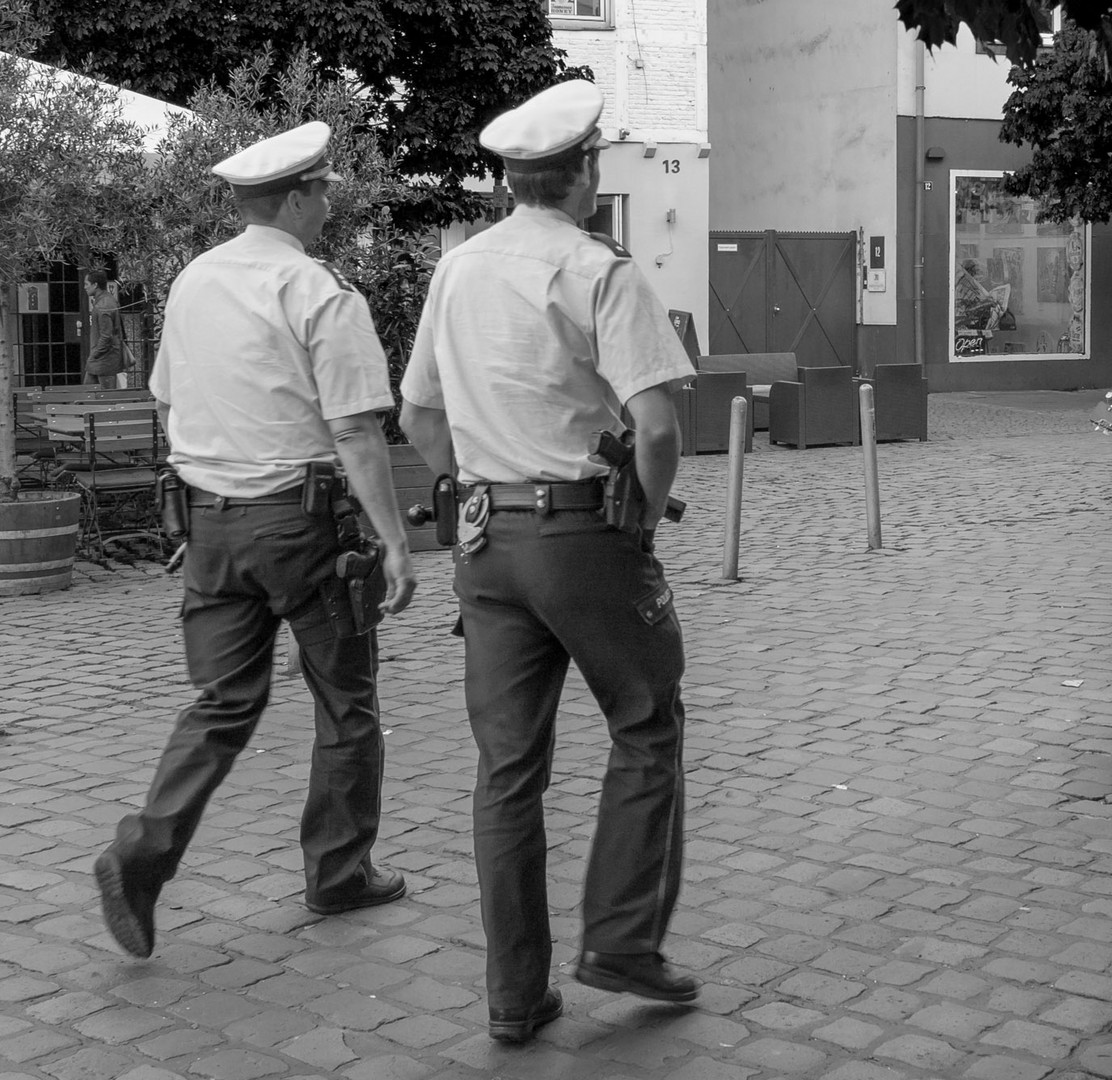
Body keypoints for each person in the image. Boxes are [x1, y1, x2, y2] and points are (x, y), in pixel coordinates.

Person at [399, 80, 699, 1043]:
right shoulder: (599, 270)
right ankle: (619, 938)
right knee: (646, 725)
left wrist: (477, 485)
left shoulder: (458, 270)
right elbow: (655, 427)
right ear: (585, 174)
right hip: (582, 535)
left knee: (507, 772)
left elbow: (416, 419)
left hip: (488, 544)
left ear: (504, 183)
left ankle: (514, 997)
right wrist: (642, 521)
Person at [93, 121, 418, 959]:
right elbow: (354, 431)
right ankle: (339, 871)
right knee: (345, 700)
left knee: (223, 702)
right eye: (322, 190)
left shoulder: (194, 280)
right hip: (302, 523)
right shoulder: (318, 291)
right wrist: (393, 540)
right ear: (299, 197)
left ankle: (143, 848)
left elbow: (167, 401)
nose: (327, 203)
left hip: (209, 521)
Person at [83, 269, 124, 389]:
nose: (85, 287)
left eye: (86, 284)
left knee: (104, 397)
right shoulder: (107, 300)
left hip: (104, 360)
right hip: (101, 359)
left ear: (95, 285)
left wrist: (94, 354)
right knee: (88, 393)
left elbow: (106, 335)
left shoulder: (103, 305)